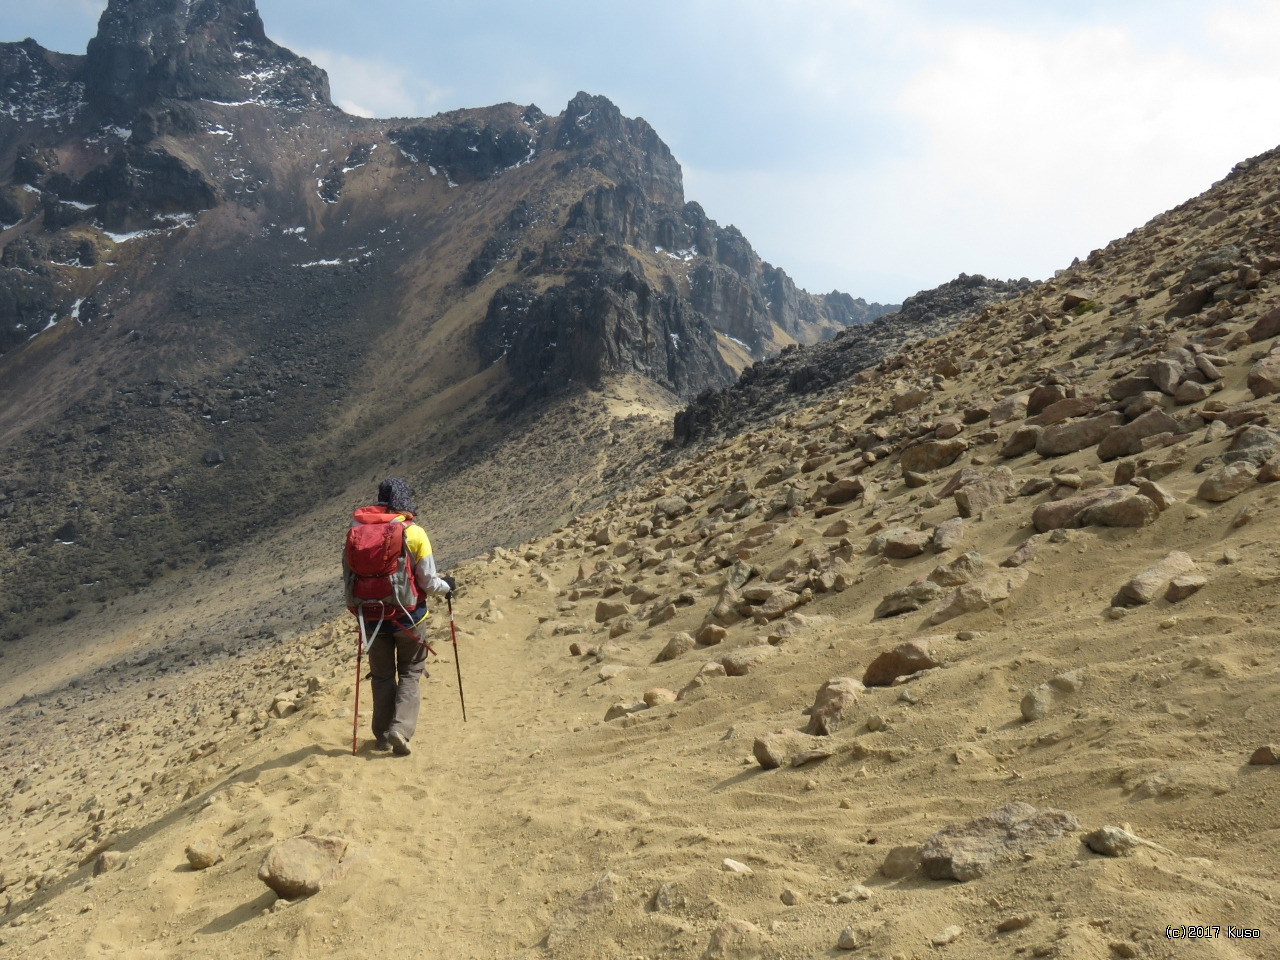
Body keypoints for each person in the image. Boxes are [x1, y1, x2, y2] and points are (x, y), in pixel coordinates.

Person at [351, 478, 454, 755]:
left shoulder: (357, 532)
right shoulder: (414, 532)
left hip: (371, 617)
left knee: (382, 677)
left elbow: (350, 577)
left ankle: (382, 735)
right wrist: (449, 587)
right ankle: (401, 729)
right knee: (410, 672)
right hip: (410, 617)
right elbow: (429, 582)